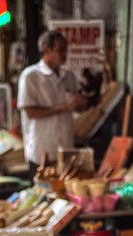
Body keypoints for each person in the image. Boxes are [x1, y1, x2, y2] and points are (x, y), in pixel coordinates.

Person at [17, 31, 87, 173]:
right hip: (42, 152)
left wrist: (80, 104)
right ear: (46, 49)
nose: (64, 54)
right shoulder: (31, 76)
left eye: (65, 50)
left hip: (66, 150)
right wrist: (63, 107)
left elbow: (77, 108)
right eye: (60, 50)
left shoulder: (69, 76)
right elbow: (30, 112)